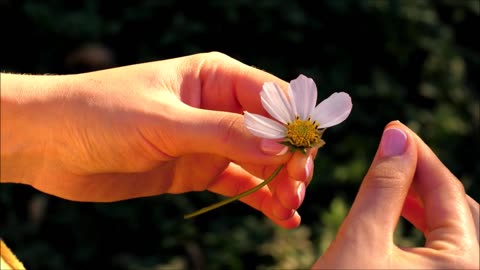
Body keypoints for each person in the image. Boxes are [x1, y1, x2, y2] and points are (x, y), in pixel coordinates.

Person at [1, 52, 478, 269]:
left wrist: (41, 130)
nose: (306, 135)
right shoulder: (286, 132)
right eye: (302, 133)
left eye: (308, 133)